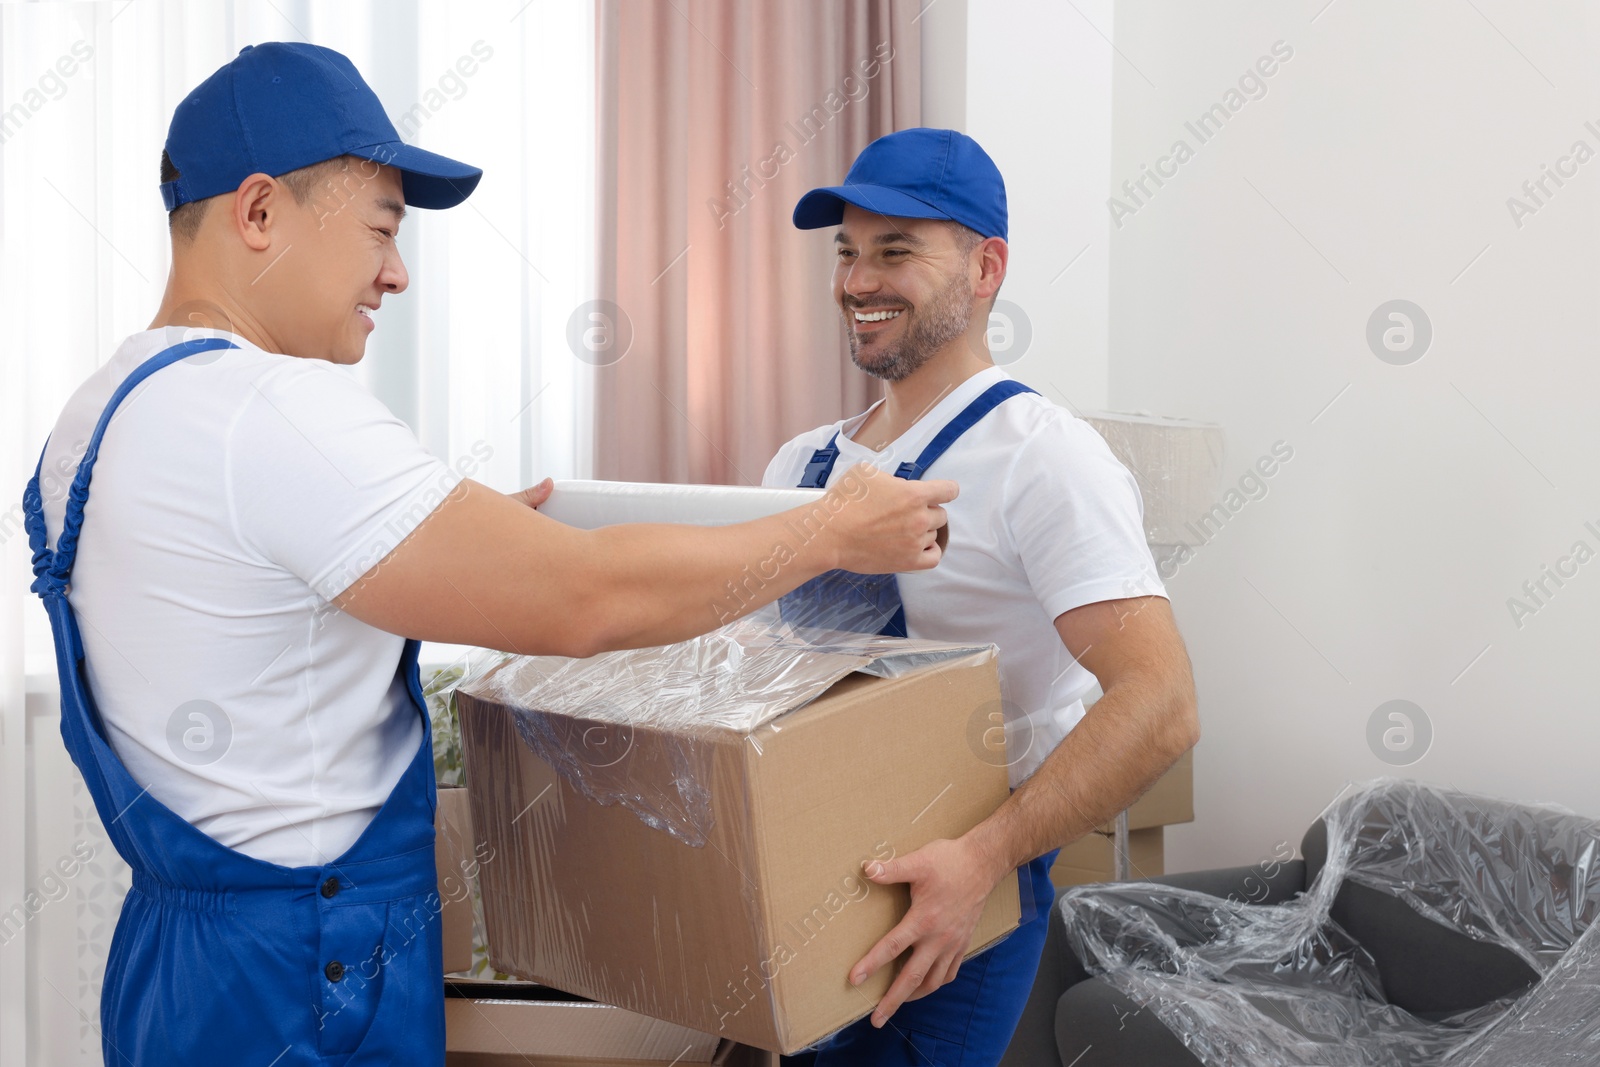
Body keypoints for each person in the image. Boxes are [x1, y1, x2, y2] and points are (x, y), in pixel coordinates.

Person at [20, 44, 955, 1065]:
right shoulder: (274, 413)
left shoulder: (102, 413)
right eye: (381, 227)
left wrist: (431, 541)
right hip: (309, 971)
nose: (396, 270)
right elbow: (586, 598)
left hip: (177, 962)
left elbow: (238, 605)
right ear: (256, 213)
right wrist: (831, 529)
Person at [766, 128, 1201, 1066]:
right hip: (805, 877)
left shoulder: (1045, 458)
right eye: (846, 251)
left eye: (894, 251)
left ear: (985, 266)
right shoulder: (799, 464)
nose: (855, 280)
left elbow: (1159, 703)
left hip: (958, 882)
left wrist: (983, 858)